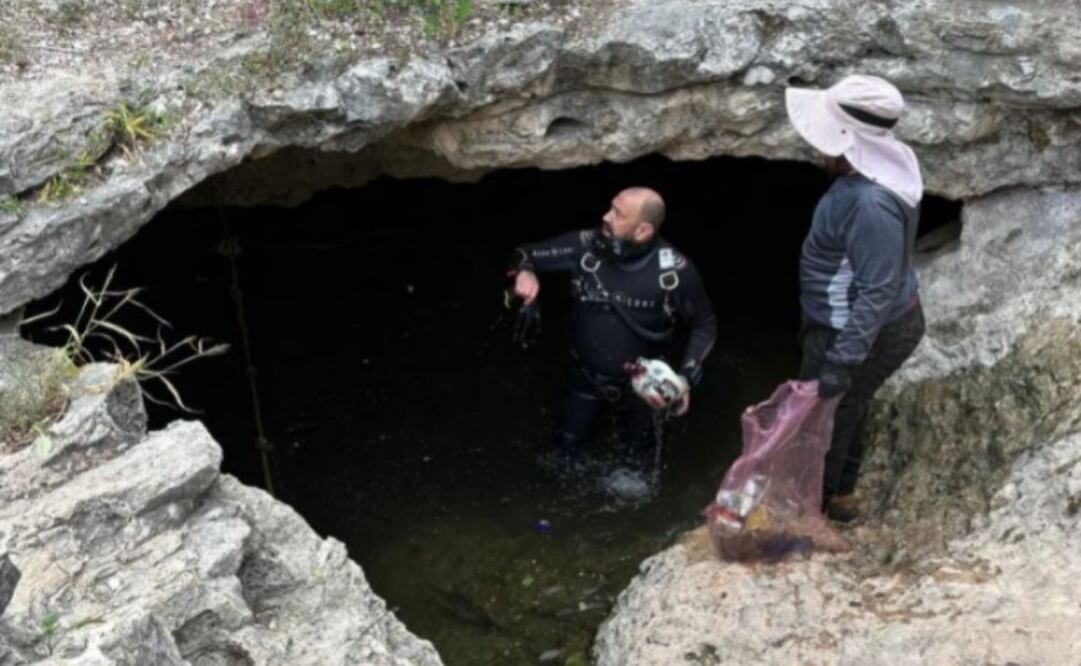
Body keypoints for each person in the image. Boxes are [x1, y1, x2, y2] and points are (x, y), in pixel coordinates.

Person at [785, 74, 927, 522]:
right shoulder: (884, 168)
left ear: (847, 139)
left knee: (825, 418)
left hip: (855, 328)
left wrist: (840, 362)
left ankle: (812, 510)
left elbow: (877, 290)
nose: (816, 145)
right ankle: (842, 496)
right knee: (848, 406)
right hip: (860, 321)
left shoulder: (870, 204)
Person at [509, 187, 717, 470]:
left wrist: (685, 377)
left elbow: (704, 325)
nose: (605, 216)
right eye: (611, 207)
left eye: (618, 214)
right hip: (585, 378)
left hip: (644, 389)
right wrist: (526, 271)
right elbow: (524, 252)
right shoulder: (585, 246)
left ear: (643, 230)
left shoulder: (675, 272)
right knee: (560, 454)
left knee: (638, 467)